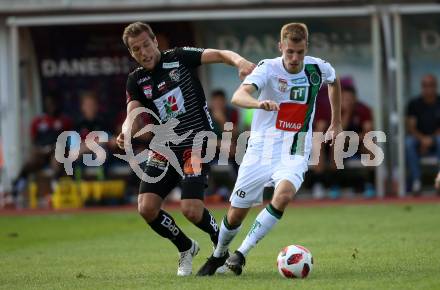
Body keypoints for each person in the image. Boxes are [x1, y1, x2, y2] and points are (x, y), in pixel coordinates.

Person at [197, 22, 342, 276]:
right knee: (235, 215)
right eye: (289, 52)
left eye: (299, 51)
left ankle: (241, 253)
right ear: (280, 48)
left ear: (306, 47)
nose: (295, 58)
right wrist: (258, 103)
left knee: (283, 195)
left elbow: (334, 80)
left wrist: (336, 121)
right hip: (260, 151)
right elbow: (238, 96)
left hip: (295, 149)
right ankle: (219, 254)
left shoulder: (318, 67)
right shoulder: (268, 68)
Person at [115, 22, 255, 276]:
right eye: (136, 49)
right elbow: (132, 112)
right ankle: (186, 247)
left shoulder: (178, 58)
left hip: (196, 143)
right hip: (165, 148)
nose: (143, 52)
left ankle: (220, 249)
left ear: (155, 41)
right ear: (131, 53)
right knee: (146, 208)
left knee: (190, 209)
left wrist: (240, 62)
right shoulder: (136, 79)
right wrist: (126, 130)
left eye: (146, 44)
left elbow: (220, 54)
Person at [12, 95, 72, 201]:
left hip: (58, 151)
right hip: (42, 152)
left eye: (54, 104)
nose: (52, 107)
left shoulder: (64, 121)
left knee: (57, 159)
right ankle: (17, 187)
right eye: (49, 104)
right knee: (30, 161)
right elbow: (34, 141)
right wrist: (40, 149)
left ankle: (55, 190)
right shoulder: (38, 121)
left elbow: (68, 141)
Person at [405, 74, 440, 193]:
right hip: (419, 139)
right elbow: (411, 127)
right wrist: (423, 140)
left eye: (431, 85)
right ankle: (416, 180)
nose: (428, 88)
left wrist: (431, 139)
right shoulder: (414, 104)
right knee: (409, 142)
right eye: (425, 85)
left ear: (435, 86)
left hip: (436, 139)